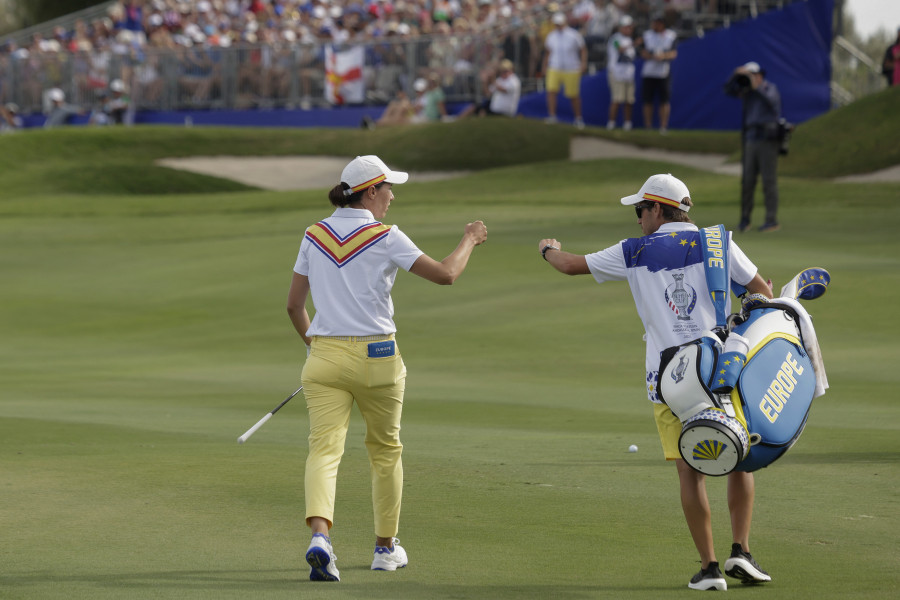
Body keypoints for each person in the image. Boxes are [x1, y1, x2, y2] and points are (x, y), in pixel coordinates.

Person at [537, 173, 774, 591]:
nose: (638, 219)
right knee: (738, 456)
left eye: (640, 210)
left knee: (689, 470)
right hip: (722, 370)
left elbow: (569, 265)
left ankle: (710, 568)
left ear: (658, 210)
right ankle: (743, 550)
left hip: (669, 380)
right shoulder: (716, 241)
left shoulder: (634, 251)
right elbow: (761, 293)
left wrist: (547, 249)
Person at [286, 155, 488, 583]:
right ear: (371, 191)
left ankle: (320, 538)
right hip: (378, 357)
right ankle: (384, 548)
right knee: (385, 451)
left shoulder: (313, 233)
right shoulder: (385, 236)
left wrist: (316, 347)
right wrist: (469, 238)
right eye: (389, 189)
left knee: (324, 451)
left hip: (323, 356)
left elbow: (294, 305)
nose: (393, 197)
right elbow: (447, 275)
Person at [728, 61, 782, 233]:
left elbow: (771, 101)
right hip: (750, 139)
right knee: (747, 181)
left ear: (759, 75)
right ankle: (745, 219)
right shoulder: (747, 92)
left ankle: (771, 220)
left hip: (768, 139)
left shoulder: (769, 88)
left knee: (768, 181)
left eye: (752, 74)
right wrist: (735, 75)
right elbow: (728, 90)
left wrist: (755, 86)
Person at [543, 11, 588, 129]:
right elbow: (548, 52)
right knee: (551, 91)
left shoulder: (574, 35)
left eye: (560, 23)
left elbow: (583, 49)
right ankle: (552, 116)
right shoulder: (551, 36)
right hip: (555, 67)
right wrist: (545, 66)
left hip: (571, 68)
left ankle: (578, 119)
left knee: (574, 95)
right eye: (556, 24)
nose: (558, 26)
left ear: (565, 22)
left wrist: (583, 63)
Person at [640, 12, 677, 134]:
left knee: (664, 100)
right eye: (654, 22)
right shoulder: (646, 35)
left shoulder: (671, 36)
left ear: (662, 24)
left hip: (663, 72)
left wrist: (662, 56)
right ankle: (648, 127)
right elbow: (641, 52)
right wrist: (652, 56)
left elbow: (673, 53)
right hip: (649, 72)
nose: (655, 25)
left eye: (658, 23)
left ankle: (663, 126)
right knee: (647, 100)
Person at [606, 14, 637, 130]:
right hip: (616, 73)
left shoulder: (629, 39)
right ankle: (611, 124)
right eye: (626, 27)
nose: (628, 29)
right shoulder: (615, 38)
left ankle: (627, 124)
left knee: (629, 100)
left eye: (630, 27)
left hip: (628, 74)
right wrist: (634, 44)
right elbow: (620, 49)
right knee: (617, 99)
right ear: (620, 27)